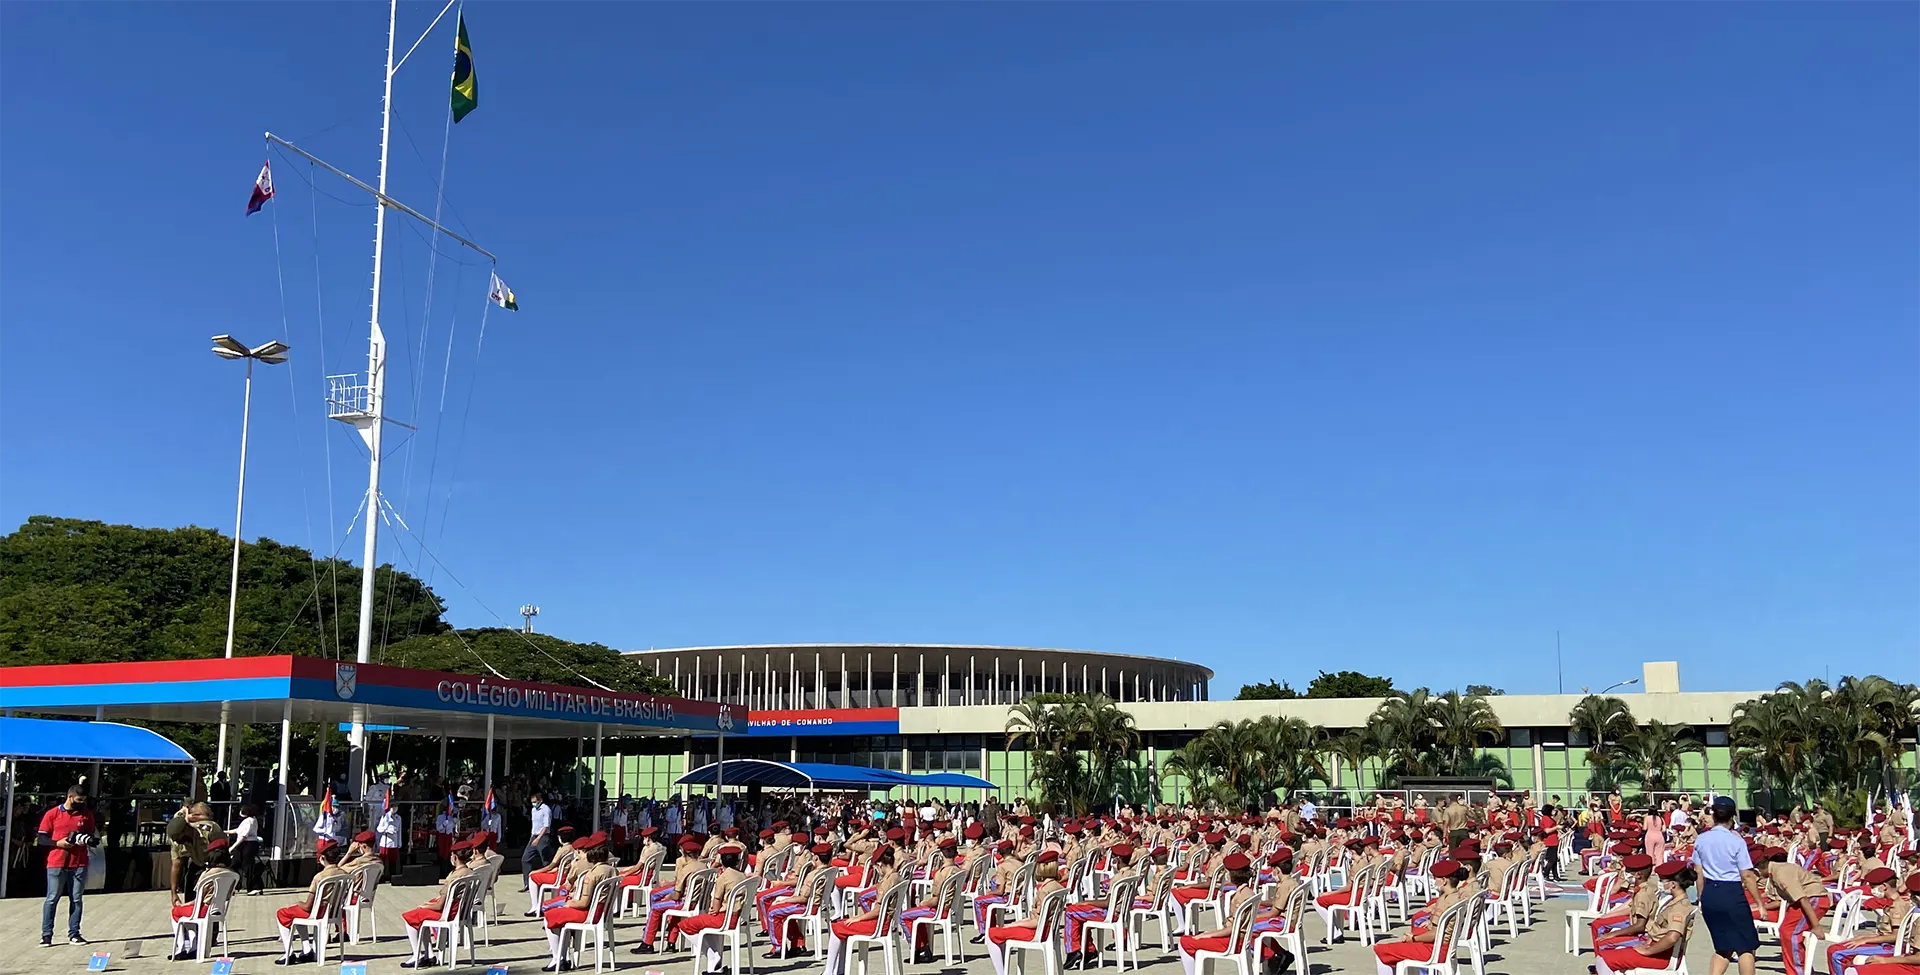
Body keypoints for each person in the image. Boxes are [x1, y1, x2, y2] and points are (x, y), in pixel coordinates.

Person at [1690, 796, 1762, 975]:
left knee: (1722, 946)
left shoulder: (1701, 839)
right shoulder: (1736, 841)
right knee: (1745, 947)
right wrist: (1759, 902)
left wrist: (1701, 897)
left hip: (1710, 894)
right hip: (1731, 892)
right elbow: (1746, 874)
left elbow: (1698, 872)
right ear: (1732, 817)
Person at [1594, 862, 1695, 973]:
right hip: (1657, 949)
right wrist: (1648, 942)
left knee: (1603, 959)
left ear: (1672, 884)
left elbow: (1672, 937)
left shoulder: (1679, 908)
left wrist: (1649, 951)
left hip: (1662, 956)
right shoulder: (1674, 901)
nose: (1659, 883)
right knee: (1605, 957)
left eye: (1661, 880)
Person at [541, 833, 616, 972]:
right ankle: (564, 957)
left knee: (549, 916)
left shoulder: (593, 874)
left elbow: (583, 902)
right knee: (559, 917)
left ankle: (558, 958)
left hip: (589, 914)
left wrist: (568, 904)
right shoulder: (612, 870)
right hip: (602, 912)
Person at [400, 838, 474, 967]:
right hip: (461, 912)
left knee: (410, 918)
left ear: (455, 857)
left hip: (448, 914)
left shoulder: (454, 876)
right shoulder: (470, 873)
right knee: (421, 914)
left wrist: (426, 906)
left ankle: (416, 954)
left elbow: (440, 905)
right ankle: (430, 954)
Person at [274, 842, 351, 964]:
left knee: (282, 913)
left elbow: (307, 906)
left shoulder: (319, 877)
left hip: (318, 913)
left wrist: (299, 903)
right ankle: (307, 949)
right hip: (334, 913)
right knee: (296, 914)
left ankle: (289, 952)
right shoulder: (345, 875)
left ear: (322, 858)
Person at [38, 786, 96, 947]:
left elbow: (91, 834)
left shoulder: (86, 814)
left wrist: (83, 839)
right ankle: (46, 935)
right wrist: (58, 843)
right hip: (56, 861)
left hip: (79, 862)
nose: (81, 803)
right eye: (79, 800)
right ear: (70, 797)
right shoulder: (52, 814)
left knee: (76, 898)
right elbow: (41, 838)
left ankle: (74, 933)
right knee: (52, 898)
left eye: (83, 801)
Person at [169, 840, 239, 959]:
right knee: (189, 915)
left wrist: (183, 905)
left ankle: (180, 948)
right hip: (218, 910)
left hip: (203, 910)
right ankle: (194, 947)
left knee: (176, 913)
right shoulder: (233, 874)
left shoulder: (208, 874)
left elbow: (198, 900)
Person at [227, 803, 264, 895]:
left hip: (247, 844)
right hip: (245, 845)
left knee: (248, 866)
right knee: (234, 864)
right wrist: (226, 831)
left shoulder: (249, 821)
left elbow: (243, 836)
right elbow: (238, 830)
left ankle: (254, 887)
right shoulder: (249, 820)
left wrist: (232, 847)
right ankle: (234, 886)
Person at [522, 791, 555, 891]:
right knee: (525, 859)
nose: (534, 804)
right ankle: (527, 884)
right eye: (532, 802)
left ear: (540, 800)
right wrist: (532, 838)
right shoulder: (533, 810)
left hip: (543, 837)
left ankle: (547, 885)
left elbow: (546, 826)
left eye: (535, 802)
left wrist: (538, 838)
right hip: (534, 836)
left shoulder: (546, 810)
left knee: (545, 861)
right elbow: (534, 825)